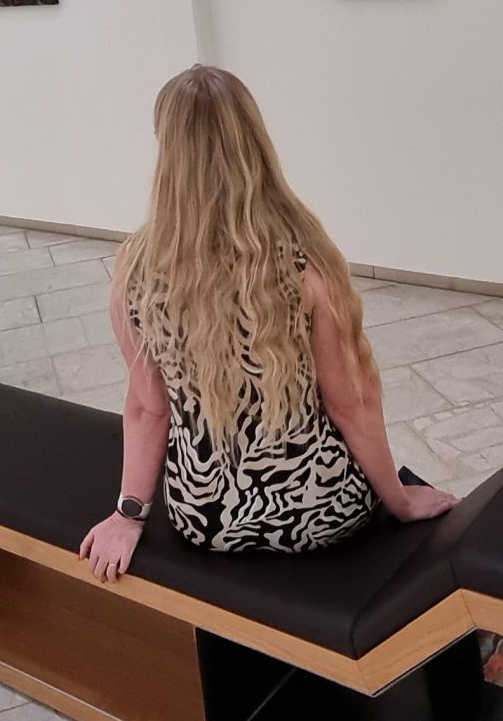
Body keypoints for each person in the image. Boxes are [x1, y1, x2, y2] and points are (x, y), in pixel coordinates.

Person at [79, 65, 459, 581]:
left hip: (203, 516)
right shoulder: (304, 262)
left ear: (165, 148)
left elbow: (149, 408)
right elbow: (350, 403)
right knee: (394, 475)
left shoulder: (136, 265)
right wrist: (400, 501)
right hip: (320, 510)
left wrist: (128, 517)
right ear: (255, 140)